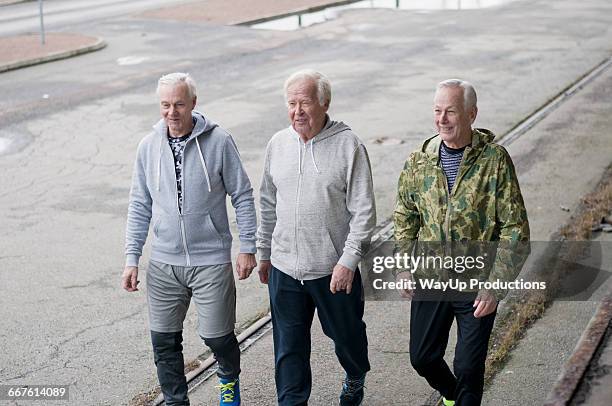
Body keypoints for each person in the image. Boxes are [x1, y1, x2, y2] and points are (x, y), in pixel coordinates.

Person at [122, 72, 257, 406]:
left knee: (218, 336)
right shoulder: (148, 147)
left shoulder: (219, 141)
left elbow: (242, 195)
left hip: (210, 259)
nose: (172, 112)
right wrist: (131, 258)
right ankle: (175, 401)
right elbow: (140, 204)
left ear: (193, 104)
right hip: (165, 262)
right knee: (164, 342)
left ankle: (228, 379)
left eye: (179, 104)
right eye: (165, 105)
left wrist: (248, 247)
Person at [393, 79, 530, 406]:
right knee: (422, 358)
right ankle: (454, 398)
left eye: (450, 112)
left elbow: (515, 228)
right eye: (438, 111)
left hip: (477, 282)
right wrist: (403, 266)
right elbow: (405, 216)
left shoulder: (495, 161)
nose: (442, 119)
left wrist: (496, 287)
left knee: (468, 367)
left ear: (471, 114)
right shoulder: (419, 161)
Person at [256, 69, 376, 406]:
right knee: (289, 349)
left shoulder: (348, 145)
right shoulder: (277, 145)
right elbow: (266, 202)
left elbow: (364, 211)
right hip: (284, 269)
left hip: (333, 270)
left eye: (304, 103)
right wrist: (263, 251)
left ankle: (355, 375)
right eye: (291, 104)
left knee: (347, 337)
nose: (297, 111)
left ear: (324, 103)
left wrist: (348, 261)